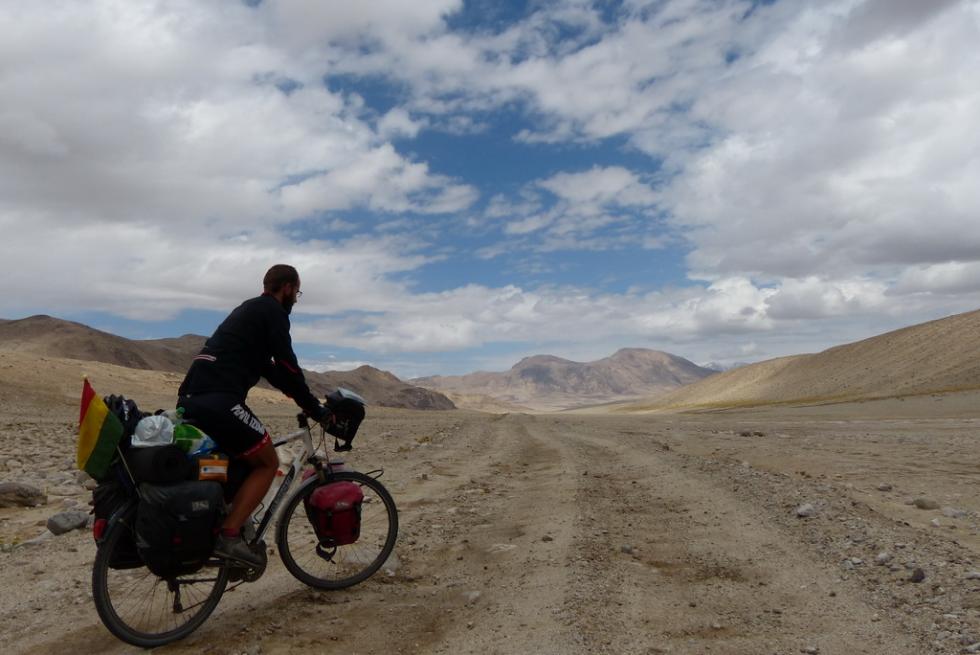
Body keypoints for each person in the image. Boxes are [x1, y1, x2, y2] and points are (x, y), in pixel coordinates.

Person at [177, 264, 327, 566]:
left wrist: (305, 401)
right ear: (287, 288)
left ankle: (219, 522)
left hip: (190, 398)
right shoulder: (273, 313)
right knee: (268, 462)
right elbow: (288, 366)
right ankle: (229, 535)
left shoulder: (248, 311)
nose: (295, 299)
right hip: (219, 400)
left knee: (237, 463)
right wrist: (314, 408)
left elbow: (273, 372)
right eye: (297, 292)